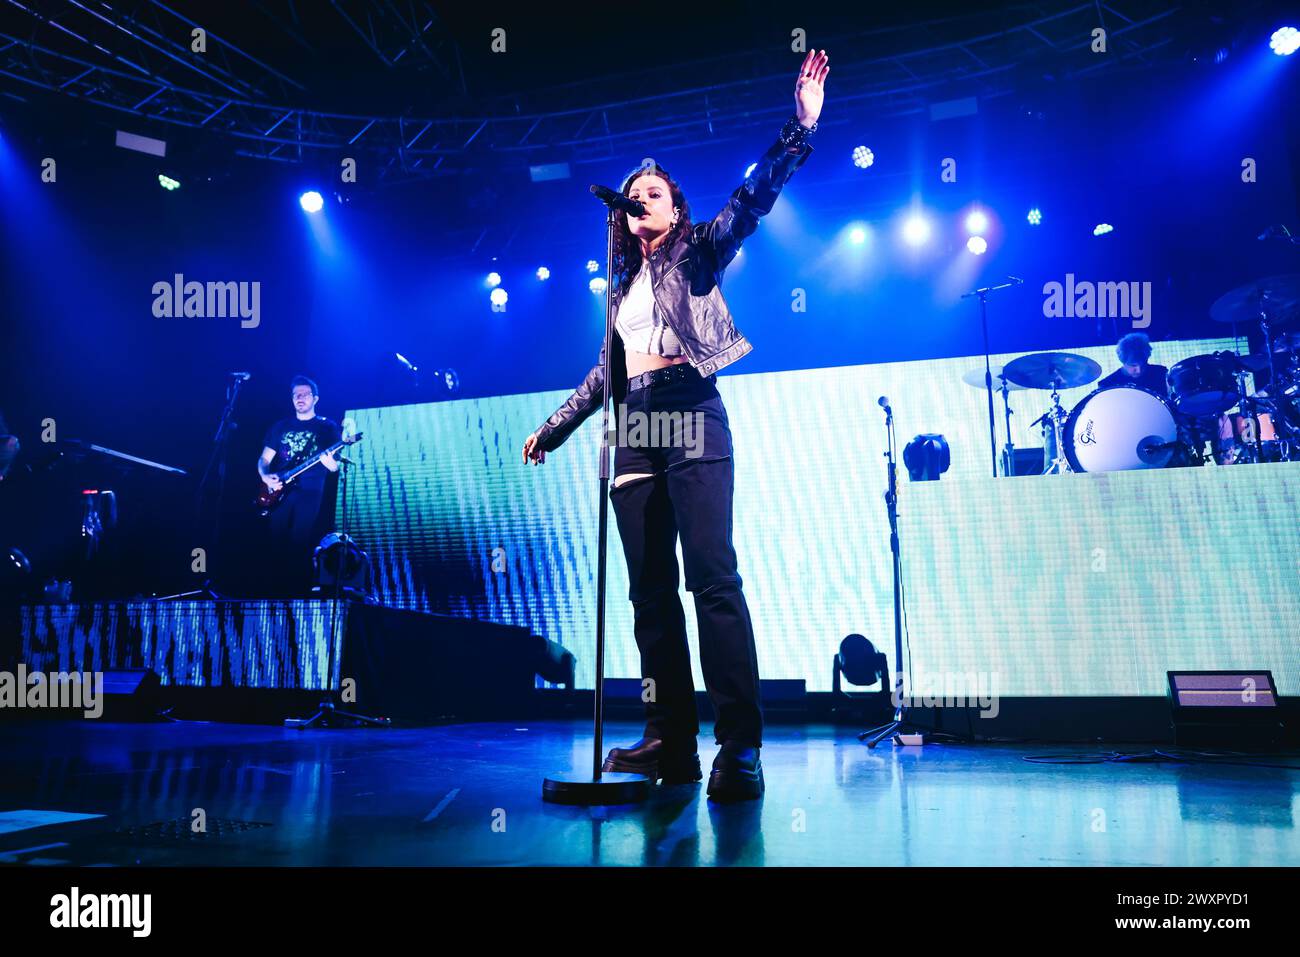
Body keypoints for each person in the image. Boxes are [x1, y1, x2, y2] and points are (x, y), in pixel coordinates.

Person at [522, 50, 829, 802]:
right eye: (633, 195)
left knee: (711, 579)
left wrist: (798, 128)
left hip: (692, 413)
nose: (641, 200)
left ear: (674, 208)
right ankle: (670, 740)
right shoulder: (620, 285)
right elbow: (605, 370)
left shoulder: (699, 249)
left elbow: (752, 200)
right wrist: (557, 425)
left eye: (653, 193)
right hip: (635, 429)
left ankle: (740, 743)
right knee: (649, 593)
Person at [258, 376, 342, 593]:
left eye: (304, 394)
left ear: (315, 399)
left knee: (300, 540)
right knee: (275, 540)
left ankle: (296, 590)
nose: (300, 398)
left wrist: (329, 461)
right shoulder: (281, 426)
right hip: (279, 489)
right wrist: (265, 477)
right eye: (296, 395)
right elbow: (264, 460)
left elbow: (334, 468)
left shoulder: (326, 427)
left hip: (311, 490)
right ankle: (272, 590)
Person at [1098, 332, 1168, 397]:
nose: (1139, 370)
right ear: (1122, 361)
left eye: (1143, 364)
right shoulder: (1108, 385)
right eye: (1133, 365)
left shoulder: (1161, 373)